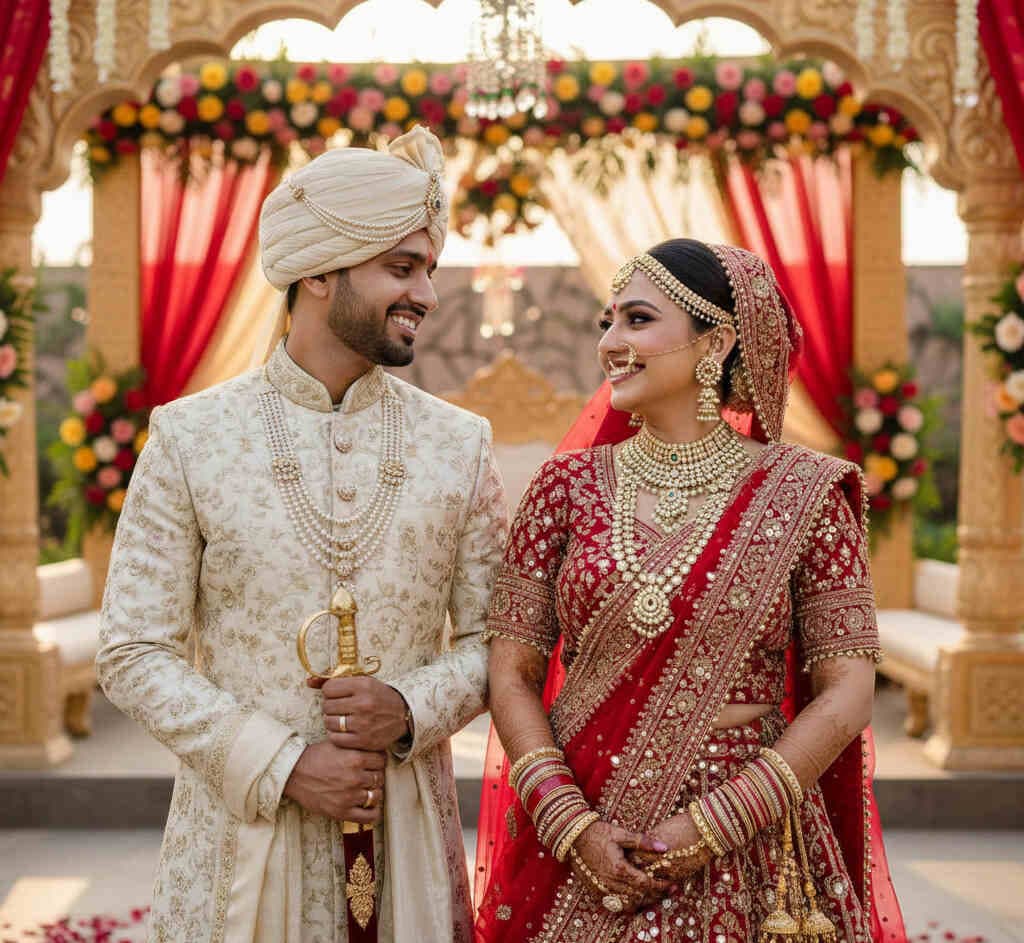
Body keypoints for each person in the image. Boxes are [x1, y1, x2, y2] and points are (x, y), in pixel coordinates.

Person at [96, 126, 508, 943]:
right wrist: (282, 762)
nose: (427, 294)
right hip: (237, 844)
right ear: (319, 271)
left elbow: (500, 640)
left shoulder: (458, 444)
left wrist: (408, 706)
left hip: (403, 838)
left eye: (429, 269)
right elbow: (133, 649)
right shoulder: (192, 436)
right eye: (402, 267)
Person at [474, 239, 907, 943]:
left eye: (638, 320)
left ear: (717, 342)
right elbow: (511, 671)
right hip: (581, 824)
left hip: (749, 839)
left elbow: (849, 690)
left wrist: (713, 826)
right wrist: (569, 822)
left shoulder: (806, 493)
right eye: (607, 322)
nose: (610, 343)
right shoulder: (565, 487)